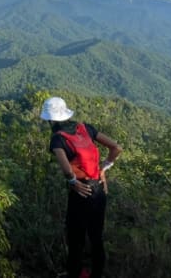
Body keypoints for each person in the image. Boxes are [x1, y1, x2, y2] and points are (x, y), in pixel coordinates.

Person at [41, 96, 123, 278]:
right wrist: (103, 168)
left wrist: (72, 182)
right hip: (99, 189)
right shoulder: (85, 128)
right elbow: (116, 148)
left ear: (50, 119)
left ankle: (75, 273)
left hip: (81, 191)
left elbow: (67, 169)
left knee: (75, 237)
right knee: (96, 237)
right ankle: (97, 274)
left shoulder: (57, 139)